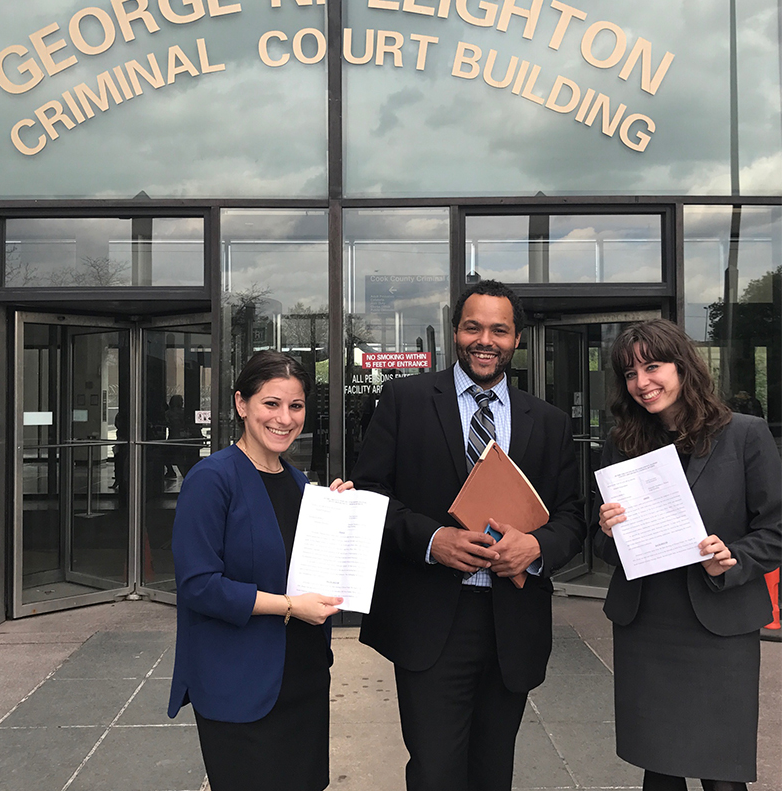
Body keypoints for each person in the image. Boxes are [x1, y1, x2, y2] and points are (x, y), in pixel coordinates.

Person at [351, 280, 586, 791]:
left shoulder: (547, 422)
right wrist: (433, 540)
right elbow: (369, 495)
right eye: (473, 327)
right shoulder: (404, 400)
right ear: (456, 331)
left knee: (492, 771)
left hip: (512, 625)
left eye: (499, 330)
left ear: (517, 339)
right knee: (435, 771)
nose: (486, 340)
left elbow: (572, 515)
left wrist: (538, 547)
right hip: (431, 622)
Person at [595, 319, 782, 791]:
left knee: (721, 773)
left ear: (683, 366)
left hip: (718, 626)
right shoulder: (623, 444)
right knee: (658, 768)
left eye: (652, 367)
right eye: (630, 374)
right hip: (648, 623)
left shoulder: (746, 434)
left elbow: (776, 528)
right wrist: (608, 531)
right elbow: (599, 544)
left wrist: (733, 556)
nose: (642, 383)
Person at [168, 350, 351, 791]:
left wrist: (336, 515)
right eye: (271, 403)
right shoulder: (212, 479)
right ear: (241, 404)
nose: (284, 418)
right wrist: (290, 606)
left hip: (302, 677)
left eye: (296, 405)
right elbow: (199, 586)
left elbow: (302, 569)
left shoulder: (299, 483)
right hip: (240, 684)